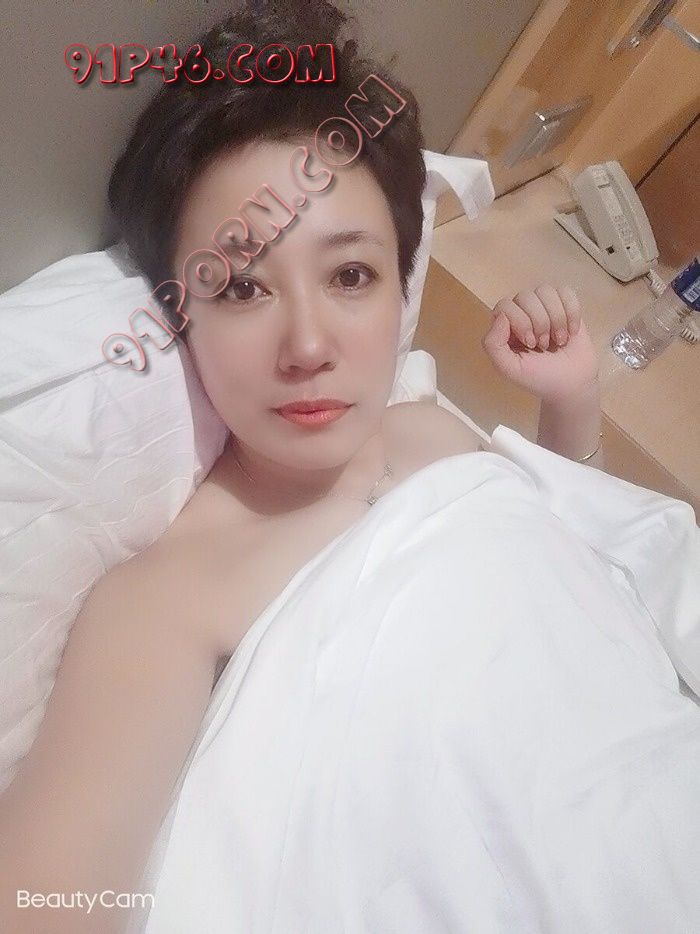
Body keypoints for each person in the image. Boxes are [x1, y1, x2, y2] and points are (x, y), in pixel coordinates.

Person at [0, 2, 613, 931]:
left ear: (400, 281)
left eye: (351, 275)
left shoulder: (431, 435)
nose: (309, 346)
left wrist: (570, 401)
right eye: (242, 286)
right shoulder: (170, 601)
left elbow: (588, 575)